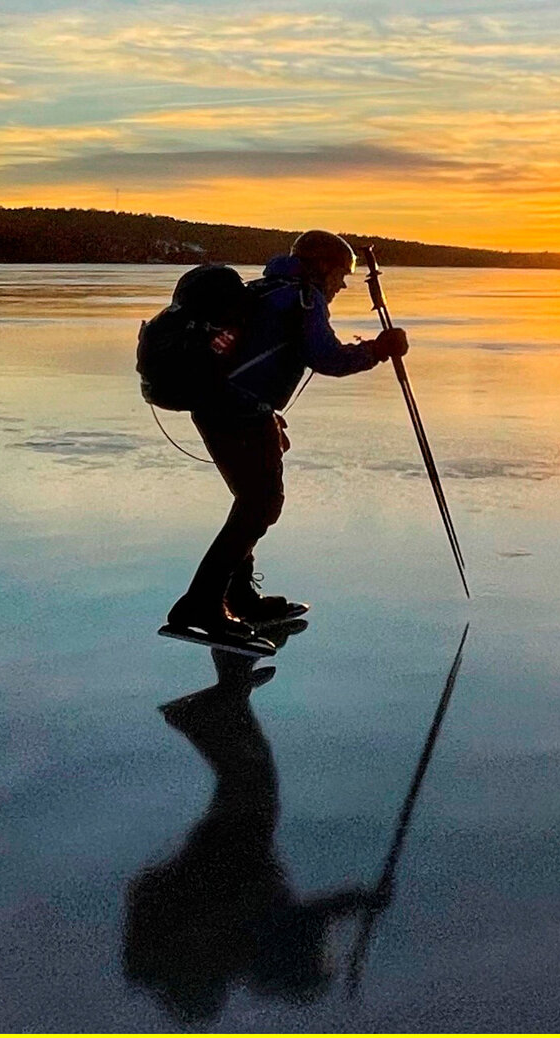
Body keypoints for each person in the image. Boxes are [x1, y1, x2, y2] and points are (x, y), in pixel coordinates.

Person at [165, 230, 406, 653]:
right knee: (260, 505)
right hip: (238, 412)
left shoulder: (265, 289)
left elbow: (250, 356)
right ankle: (200, 604)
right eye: (340, 274)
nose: (342, 285)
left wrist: (263, 412)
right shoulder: (303, 298)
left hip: (219, 406)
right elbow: (327, 357)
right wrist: (378, 350)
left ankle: (239, 596)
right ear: (321, 267)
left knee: (250, 501)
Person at [123, 646, 387, 1021]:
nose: (325, 950)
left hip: (217, 875)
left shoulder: (256, 945)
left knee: (253, 784)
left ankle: (215, 703)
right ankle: (224, 692)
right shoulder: (249, 953)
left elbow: (311, 917)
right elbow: (314, 917)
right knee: (252, 782)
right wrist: (363, 901)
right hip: (214, 876)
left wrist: (364, 900)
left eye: (321, 956)